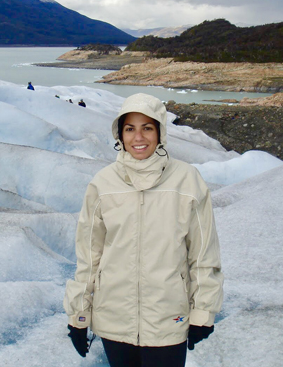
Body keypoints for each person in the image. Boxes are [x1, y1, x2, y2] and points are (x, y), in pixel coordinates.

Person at [63, 93, 223, 367]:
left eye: (147, 127)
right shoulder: (102, 184)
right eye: (130, 129)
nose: (138, 137)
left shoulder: (187, 181)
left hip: (168, 320)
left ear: (160, 132)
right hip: (114, 319)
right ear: (120, 135)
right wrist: (79, 315)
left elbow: (204, 254)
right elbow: (89, 258)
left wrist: (203, 313)